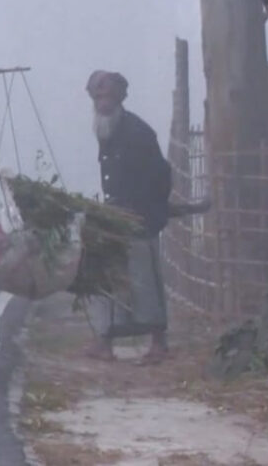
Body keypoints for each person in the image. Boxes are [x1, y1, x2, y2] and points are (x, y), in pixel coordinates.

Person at [84, 70, 173, 365]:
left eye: (107, 97)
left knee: (143, 280)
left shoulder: (138, 132)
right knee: (106, 277)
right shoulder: (105, 129)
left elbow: (161, 176)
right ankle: (104, 343)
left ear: (120, 98)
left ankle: (158, 344)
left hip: (138, 219)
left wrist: (147, 214)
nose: (102, 103)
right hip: (112, 216)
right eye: (98, 97)